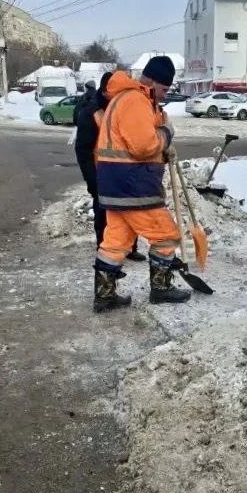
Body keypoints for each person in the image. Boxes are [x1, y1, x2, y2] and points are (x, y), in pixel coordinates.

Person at [92, 56, 191, 312]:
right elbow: (143, 146)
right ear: (154, 81)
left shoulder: (123, 98)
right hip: (134, 185)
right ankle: (161, 289)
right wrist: (167, 134)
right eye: (165, 89)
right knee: (166, 235)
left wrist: (162, 151)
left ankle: (105, 295)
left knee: (116, 241)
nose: (164, 95)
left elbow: (132, 143)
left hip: (115, 185)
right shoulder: (135, 100)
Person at [74, 73, 145, 261]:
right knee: (105, 214)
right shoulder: (91, 113)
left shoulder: (126, 109)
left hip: (126, 173)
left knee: (130, 211)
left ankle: (130, 247)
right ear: (106, 91)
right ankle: (105, 250)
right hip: (102, 174)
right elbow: (83, 151)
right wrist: (92, 180)